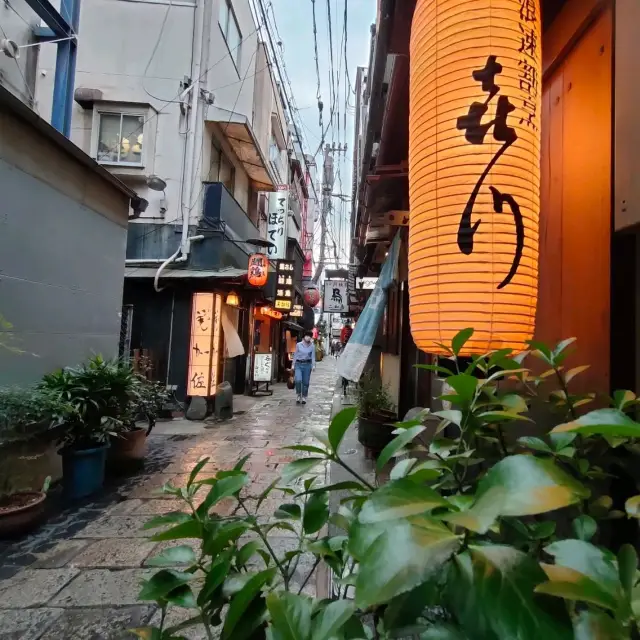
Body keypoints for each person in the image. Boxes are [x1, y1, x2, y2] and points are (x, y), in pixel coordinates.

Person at [292, 331, 316, 404]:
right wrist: (293, 364)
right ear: (304, 336)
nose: (308, 337)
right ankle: (298, 394)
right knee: (298, 380)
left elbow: (313, 357)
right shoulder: (298, 345)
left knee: (306, 382)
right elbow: (295, 355)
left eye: (309, 336)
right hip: (298, 364)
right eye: (307, 336)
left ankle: (304, 396)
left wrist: (313, 365)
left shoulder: (312, 346)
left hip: (307, 365)